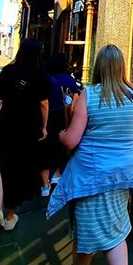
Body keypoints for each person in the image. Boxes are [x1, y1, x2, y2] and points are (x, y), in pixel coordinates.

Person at [48, 44, 133, 265]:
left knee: (86, 240)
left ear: (99, 66)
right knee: (116, 234)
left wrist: (61, 134)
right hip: (121, 175)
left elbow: (71, 140)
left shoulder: (89, 94)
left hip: (92, 177)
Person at [0, 39, 50, 231]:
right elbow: (44, 104)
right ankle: (10, 216)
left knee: (1, 166)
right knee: (17, 170)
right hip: (27, 129)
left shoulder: (8, 71)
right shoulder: (40, 75)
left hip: (5, 126)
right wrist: (44, 127)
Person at [40, 53, 81, 197]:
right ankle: (56, 174)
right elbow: (75, 102)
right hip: (62, 117)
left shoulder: (46, 78)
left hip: (47, 116)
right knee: (59, 146)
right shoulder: (69, 80)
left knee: (44, 148)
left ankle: (45, 185)